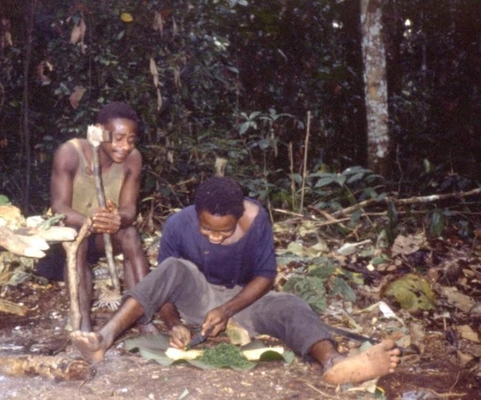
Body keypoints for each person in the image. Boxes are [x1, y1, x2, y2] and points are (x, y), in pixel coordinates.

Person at [70, 176, 402, 385]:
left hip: (246, 302)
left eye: (224, 231)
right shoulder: (177, 224)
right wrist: (173, 325)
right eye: (206, 229)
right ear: (196, 213)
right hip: (197, 299)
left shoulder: (256, 219)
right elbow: (164, 287)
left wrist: (228, 310)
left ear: (240, 216)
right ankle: (103, 339)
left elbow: (266, 276)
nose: (214, 237)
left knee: (292, 305)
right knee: (172, 266)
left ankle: (335, 363)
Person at [43, 101, 156, 334]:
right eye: (118, 138)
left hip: (106, 235)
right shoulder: (70, 153)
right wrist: (88, 222)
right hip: (72, 235)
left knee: (131, 235)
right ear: (98, 131)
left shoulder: (133, 159)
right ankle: (81, 319)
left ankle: (142, 315)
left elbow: (129, 209)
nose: (125, 146)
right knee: (79, 239)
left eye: (131, 140)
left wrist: (118, 219)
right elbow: (59, 207)